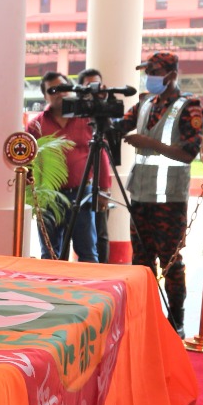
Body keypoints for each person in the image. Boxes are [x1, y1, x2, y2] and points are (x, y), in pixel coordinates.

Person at [123, 51, 203, 336]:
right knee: (141, 262)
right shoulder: (145, 102)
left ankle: (176, 322)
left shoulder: (189, 106)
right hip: (141, 196)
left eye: (155, 73)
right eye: (147, 72)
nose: (150, 78)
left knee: (170, 261)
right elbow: (121, 124)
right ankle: (143, 317)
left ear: (171, 75)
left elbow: (188, 152)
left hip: (169, 199)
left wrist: (149, 142)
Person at [26, 71, 109, 263]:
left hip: (82, 194)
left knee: (88, 252)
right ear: (45, 95)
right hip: (48, 197)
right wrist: (31, 194)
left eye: (63, 88)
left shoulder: (86, 120)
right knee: (50, 253)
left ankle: (90, 292)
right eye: (53, 90)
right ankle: (53, 292)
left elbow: (99, 153)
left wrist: (104, 188)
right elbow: (28, 160)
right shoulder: (35, 125)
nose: (60, 94)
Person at [75, 67, 113, 262]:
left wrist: (105, 187)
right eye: (89, 86)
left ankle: (103, 272)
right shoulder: (74, 115)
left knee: (100, 233)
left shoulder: (102, 115)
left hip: (96, 185)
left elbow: (103, 151)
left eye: (97, 85)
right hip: (76, 187)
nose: (93, 90)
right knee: (83, 238)